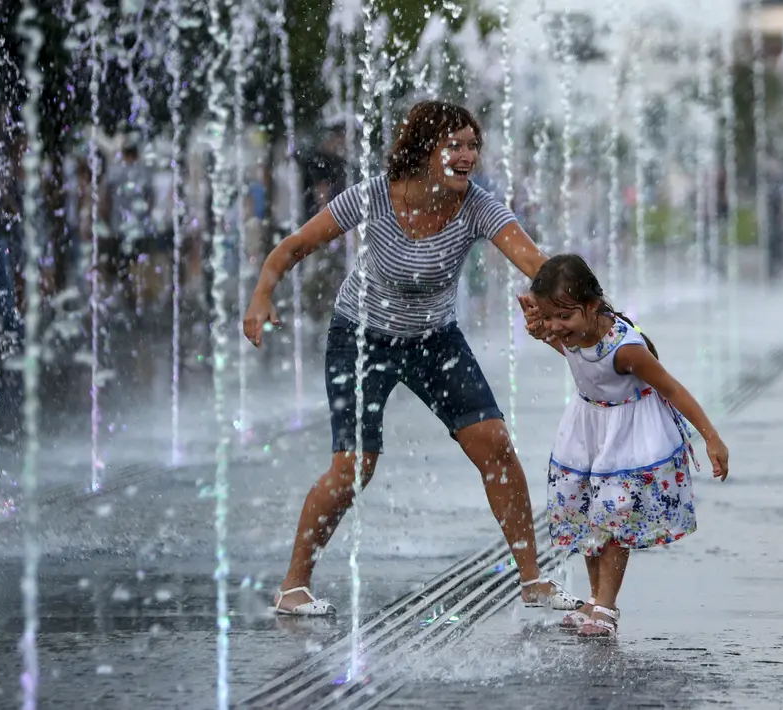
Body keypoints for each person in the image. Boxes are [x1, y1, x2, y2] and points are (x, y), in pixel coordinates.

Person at [242, 100, 579, 615]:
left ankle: (532, 580)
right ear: (425, 151)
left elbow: (534, 261)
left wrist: (581, 306)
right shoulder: (375, 195)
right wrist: (262, 295)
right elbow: (294, 246)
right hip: (361, 335)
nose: (468, 155)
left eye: (473, 146)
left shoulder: (477, 206)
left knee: (496, 445)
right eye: (455, 145)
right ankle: (293, 585)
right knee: (354, 466)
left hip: (434, 340)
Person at [518, 254, 729, 638]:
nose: (556, 327)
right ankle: (595, 598)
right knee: (587, 514)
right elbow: (569, 351)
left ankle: (606, 608)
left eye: (563, 317)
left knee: (613, 517)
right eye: (550, 317)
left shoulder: (625, 349)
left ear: (593, 306)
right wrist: (542, 329)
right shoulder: (570, 335)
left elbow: (671, 388)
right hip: (587, 429)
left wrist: (711, 437)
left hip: (628, 432)